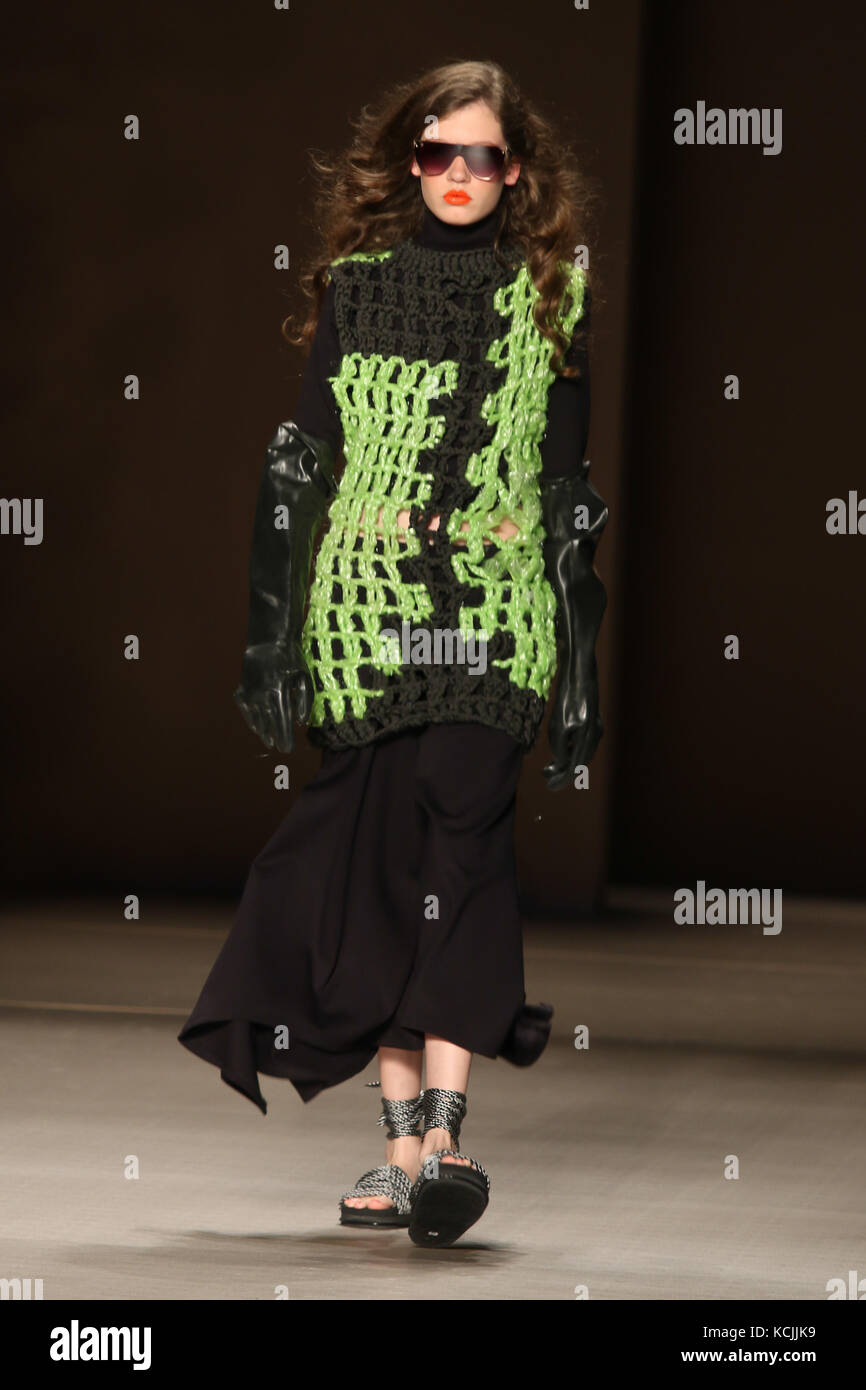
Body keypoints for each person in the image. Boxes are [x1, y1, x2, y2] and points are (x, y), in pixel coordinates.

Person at [178, 59, 608, 1249]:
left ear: (515, 170)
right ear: (407, 161)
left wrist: (576, 666)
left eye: (480, 156)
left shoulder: (547, 298)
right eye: (436, 153)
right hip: (363, 609)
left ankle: (450, 1139)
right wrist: (268, 639)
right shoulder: (358, 291)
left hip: (493, 610)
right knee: (369, 861)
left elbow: (567, 497)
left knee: (459, 839)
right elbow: (297, 463)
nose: (458, 176)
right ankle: (402, 1148)